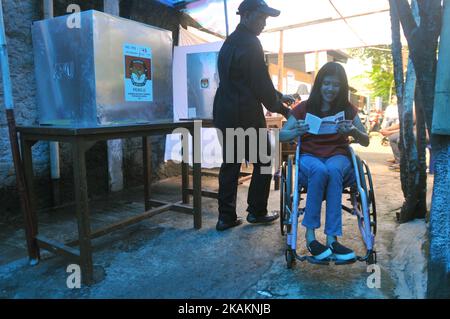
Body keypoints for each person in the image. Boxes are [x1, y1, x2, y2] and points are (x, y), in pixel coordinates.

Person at [213, 0, 291, 231]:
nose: (264, 23)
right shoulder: (251, 43)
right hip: (244, 113)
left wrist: (278, 95)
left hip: (225, 112)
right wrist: (284, 109)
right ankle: (257, 212)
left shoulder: (230, 42)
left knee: (231, 164)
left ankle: (225, 218)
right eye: (261, 18)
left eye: (266, 19)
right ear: (245, 15)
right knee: (265, 161)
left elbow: (246, 80)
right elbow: (260, 87)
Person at [280, 62, 369, 261]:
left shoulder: (347, 109)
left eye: (336, 85)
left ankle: (332, 238)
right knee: (320, 171)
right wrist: (297, 131)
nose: (330, 88)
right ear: (319, 84)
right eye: (327, 83)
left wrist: (353, 131)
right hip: (310, 157)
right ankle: (310, 237)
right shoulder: (304, 108)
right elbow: (282, 135)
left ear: (342, 87)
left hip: (338, 157)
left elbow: (366, 139)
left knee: (333, 169)